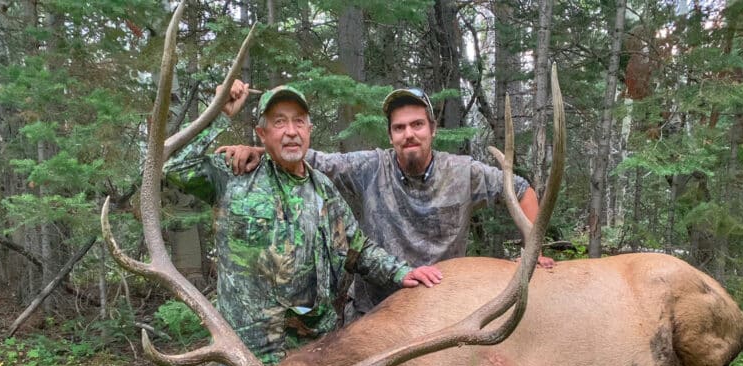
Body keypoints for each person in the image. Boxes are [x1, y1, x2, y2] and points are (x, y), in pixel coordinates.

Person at [164, 81, 443, 366]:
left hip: (315, 353)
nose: (291, 132)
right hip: (252, 354)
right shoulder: (232, 176)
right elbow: (171, 166)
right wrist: (219, 112)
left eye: (299, 122)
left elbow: (357, 249)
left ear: (310, 131)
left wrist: (402, 273)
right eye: (279, 122)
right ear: (262, 134)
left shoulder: (323, 190)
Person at [216, 85, 555, 322]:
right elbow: (311, 158)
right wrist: (259, 152)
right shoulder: (370, 167)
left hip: (445, 310)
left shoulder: (463, 172)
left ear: (432, 130)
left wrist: (533, 247)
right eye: (399, 127)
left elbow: (520, 187)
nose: (409, 134)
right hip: (377, 311)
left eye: (417, 125)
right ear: (390, 135)